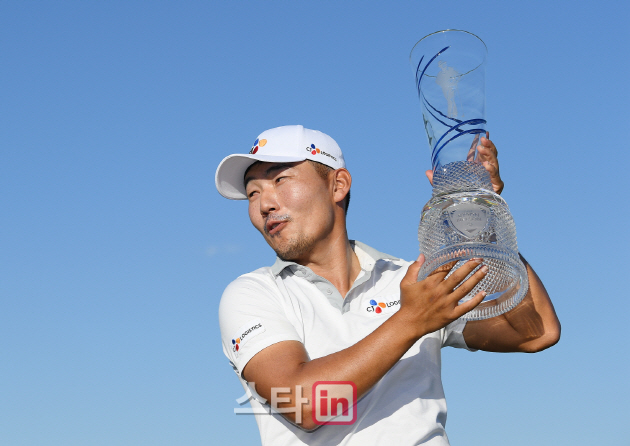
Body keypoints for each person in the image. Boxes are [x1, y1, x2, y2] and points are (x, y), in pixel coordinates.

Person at [215, 125, 560, 445]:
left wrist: (482, 210)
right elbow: (303, 404)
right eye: (253, 193)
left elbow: (536, 331)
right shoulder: (252, 293)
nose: (264, 204)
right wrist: (411, 321)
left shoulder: (410, 279)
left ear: (338, 185)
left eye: (281, 180)